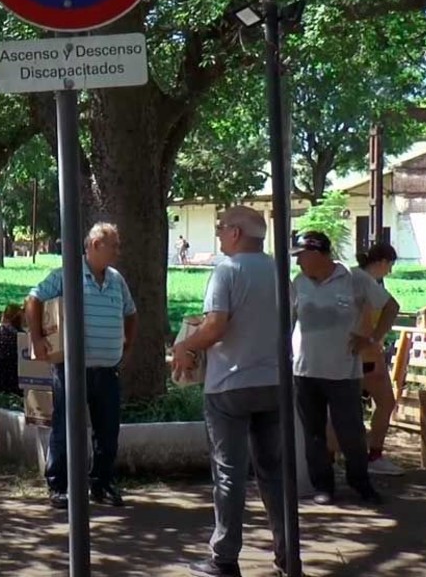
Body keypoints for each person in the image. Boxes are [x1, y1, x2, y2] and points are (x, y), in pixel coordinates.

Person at [171, 207, 288, 577]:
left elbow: (217, 325)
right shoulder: (280, 272)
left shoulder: (227, 271)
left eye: (222, 228)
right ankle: (288, 551)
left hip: (229, 387)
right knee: (274, 472)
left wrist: (185, 346)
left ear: (236, 233)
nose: (219, 234)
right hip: (275, 384)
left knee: (229, 473)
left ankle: (224, 557)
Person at [26, 222, 137, 509]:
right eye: (114, 245)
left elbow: (130, 312)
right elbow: (34, 298)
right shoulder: (68, 275)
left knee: (108, 430)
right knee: (66, 428)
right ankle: (58, 485)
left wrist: (127, 342)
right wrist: (36, 338)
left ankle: (101, 484)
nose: (118, 251)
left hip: (107, 371)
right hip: (73, 370)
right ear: (96, 245)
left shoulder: (116, 280)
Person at [290, 230, 384, 505]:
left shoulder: (354, 279)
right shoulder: (299, 283)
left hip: (343, 371)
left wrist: (372, 338)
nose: (298, 263)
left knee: (351, 431)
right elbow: (287, 321)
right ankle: (324, 486)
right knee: (314, 433)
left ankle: (361, 483)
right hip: (305, 370)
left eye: (301, 256)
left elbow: (390, 306)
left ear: (317, 254)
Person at [353, 243, 403, 476]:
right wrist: (375, 338)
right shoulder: (365, 281)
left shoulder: (362, 279)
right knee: (384, 402)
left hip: (356, 353)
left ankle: (343, 456)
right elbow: (392, 308)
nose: (390, 271)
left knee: (348, 407)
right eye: (390, 265)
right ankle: (372, 456)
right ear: (382, 262)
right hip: (365, 354)